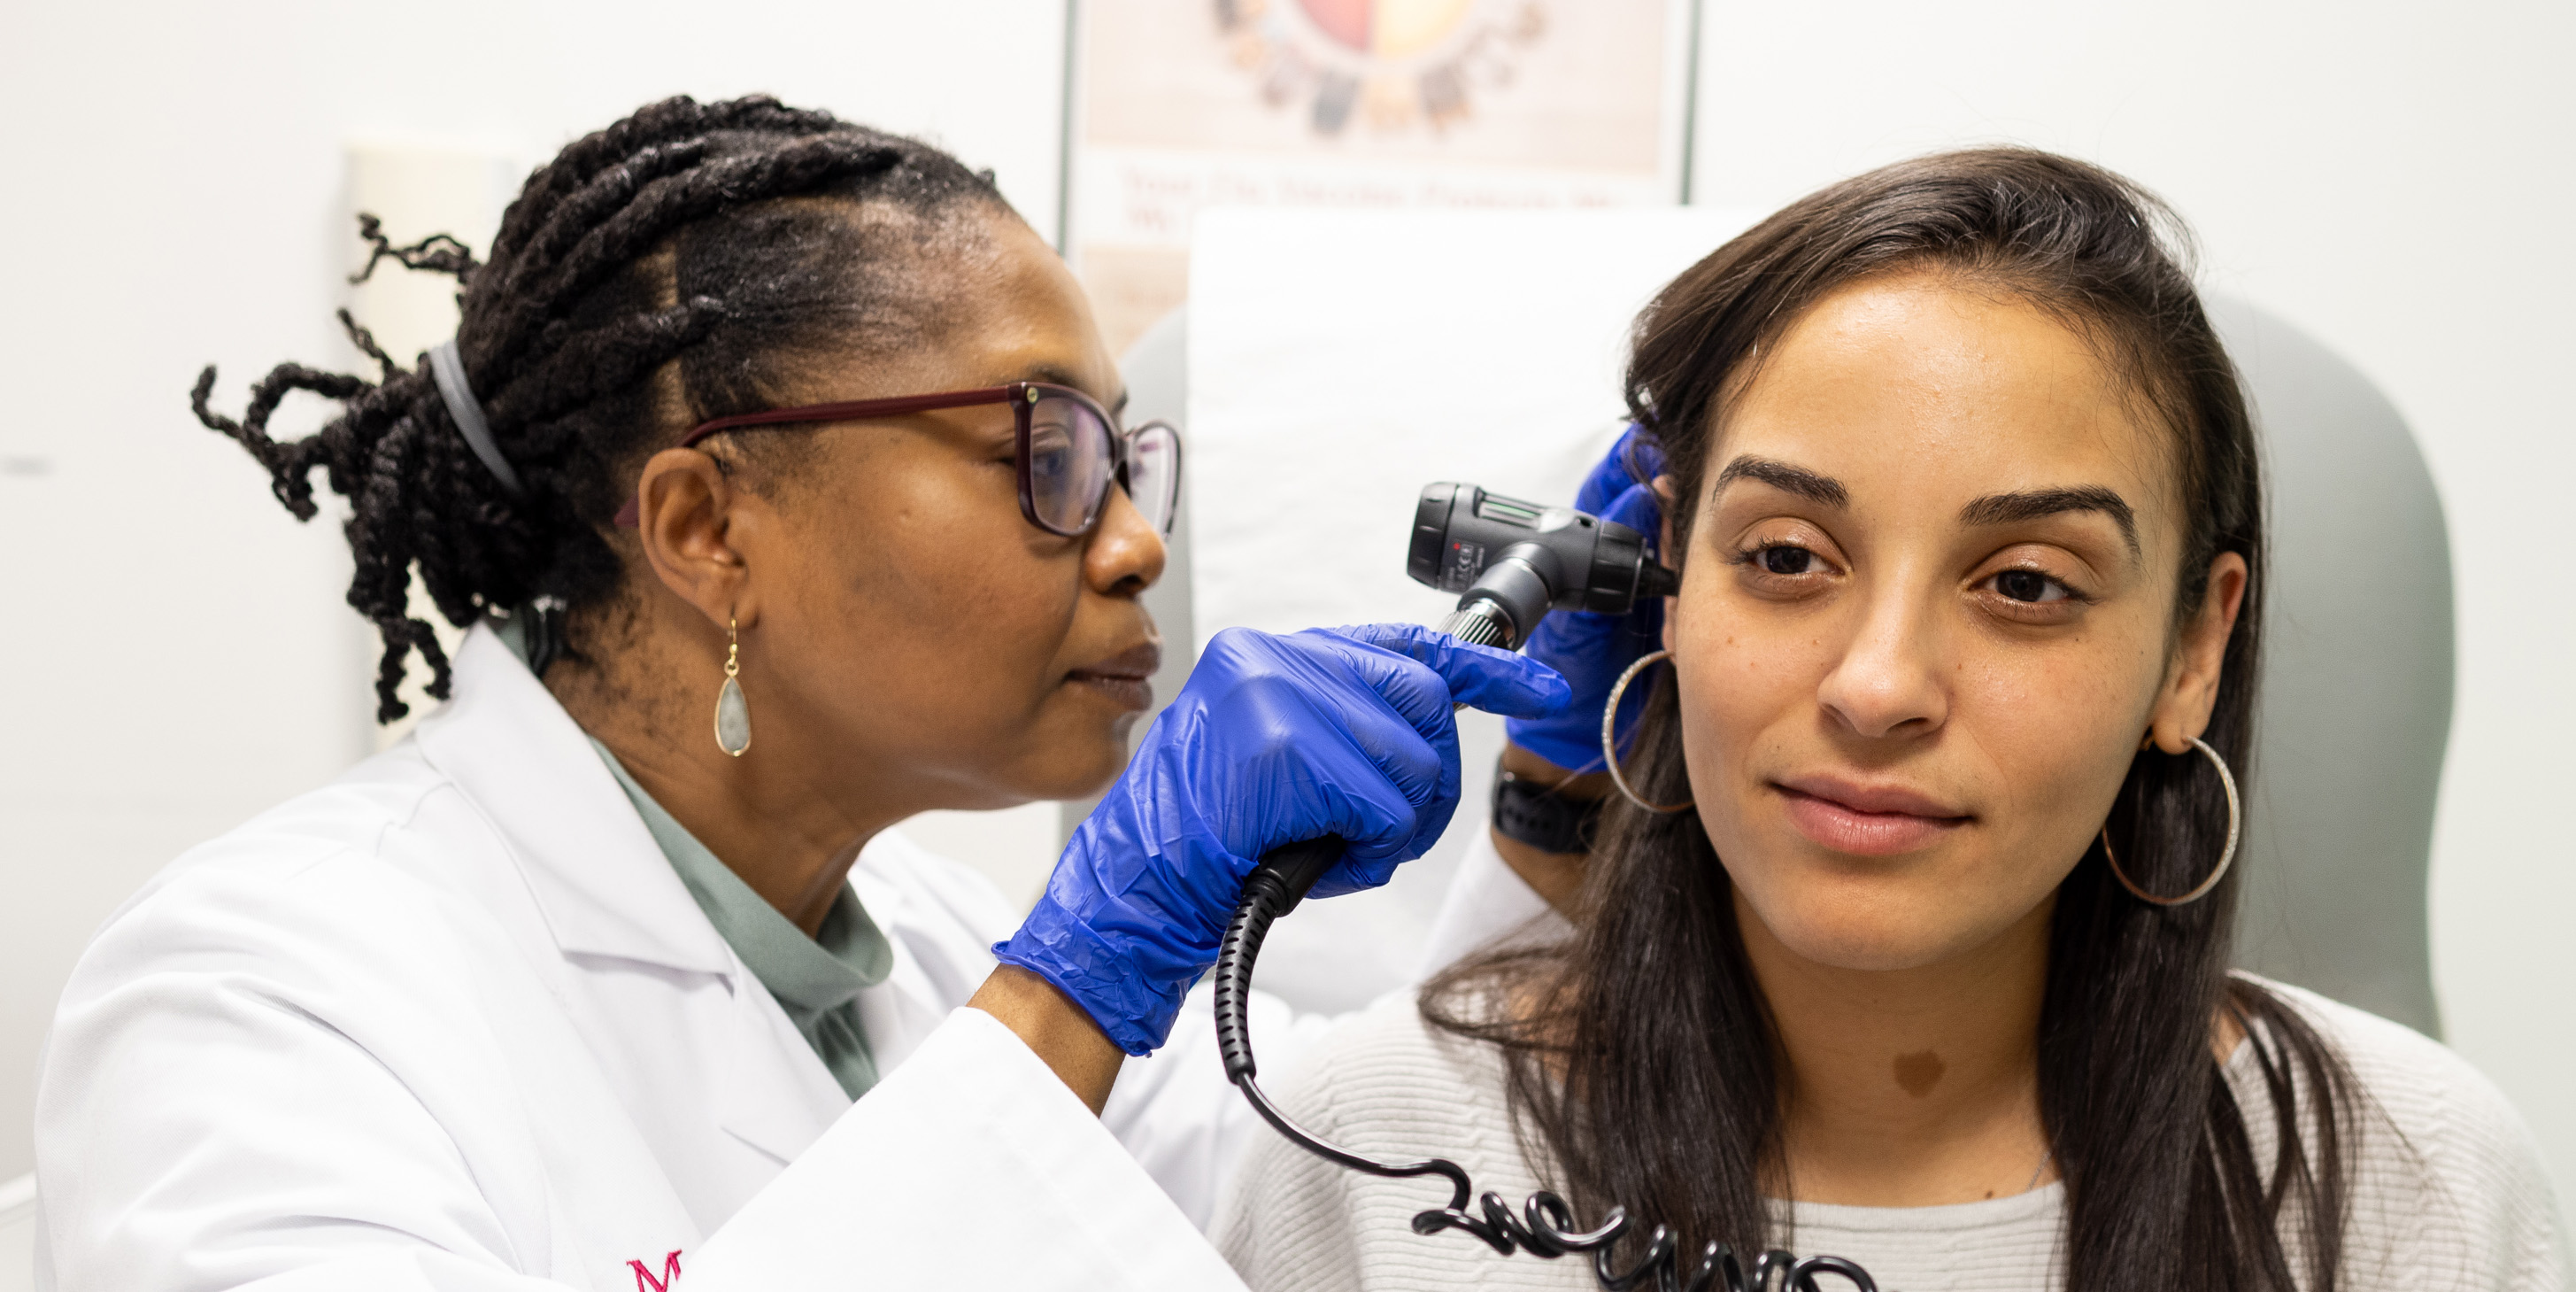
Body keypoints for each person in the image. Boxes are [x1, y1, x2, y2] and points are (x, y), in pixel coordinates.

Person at [32, 95, 1570, 1291]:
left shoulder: (914, 949)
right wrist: (1075, 988)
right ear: (706, 528)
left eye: (1120, 455)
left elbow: (1346, 1171)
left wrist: (1559, 814)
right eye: (1048, 454)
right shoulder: (263, 996)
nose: (1136, 541)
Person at [1215, 150, 2567, 1291]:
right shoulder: (1371, 1156)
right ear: (1669, 580)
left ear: (2191, 649)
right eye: (1788, 557)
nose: (1874, 686)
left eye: (2025, 585)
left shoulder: (2415, 1186)